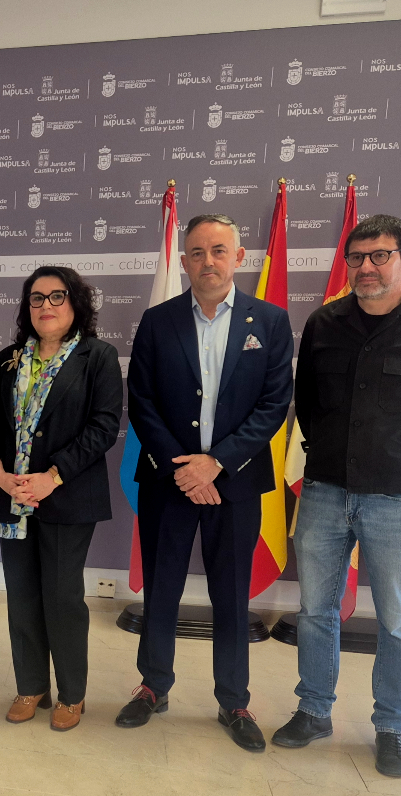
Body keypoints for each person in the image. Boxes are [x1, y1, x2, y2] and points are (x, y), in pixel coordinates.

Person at [273, 214, 401, 777]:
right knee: (316, 611)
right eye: (357, 257)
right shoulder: (324, 322)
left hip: (399, 496)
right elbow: (307, 402)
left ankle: (391, 727)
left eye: (380, 256)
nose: (366, 267)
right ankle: (313, 710)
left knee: (397, 620)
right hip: (325, 489)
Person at [118, 214, 293, 752]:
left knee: (231, 595)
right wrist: (184, 468)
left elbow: (273, 405)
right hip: (168, 481)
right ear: (185, 261)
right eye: (196, 252)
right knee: (162, 588)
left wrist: (215, 464)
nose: (208, 261)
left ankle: (233, 700)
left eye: (219, 251)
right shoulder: (157, 320)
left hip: (235, 484)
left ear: (238, 257)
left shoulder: (271, 321)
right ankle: (153, 686)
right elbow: (141, 402)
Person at [0, 266, 122, 730]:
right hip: (11, 497)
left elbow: (103, 428)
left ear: (75, 303)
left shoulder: (98, 356)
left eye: (57, 296)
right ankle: (31, 686)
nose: (46, 306)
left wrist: (52, 477)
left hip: (67, 496)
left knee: (62, 598)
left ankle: (71, 694)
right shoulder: (8, 359)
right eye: (36, 298)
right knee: (21, 595)